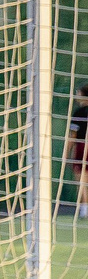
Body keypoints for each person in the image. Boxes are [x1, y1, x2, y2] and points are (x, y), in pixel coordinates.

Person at [66, 85, 88, 218]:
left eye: (78, 93)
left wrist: (66, 152)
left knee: (81, 179)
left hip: (82, 147)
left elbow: (72, 135)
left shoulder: (79, 113)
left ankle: (85, 209)